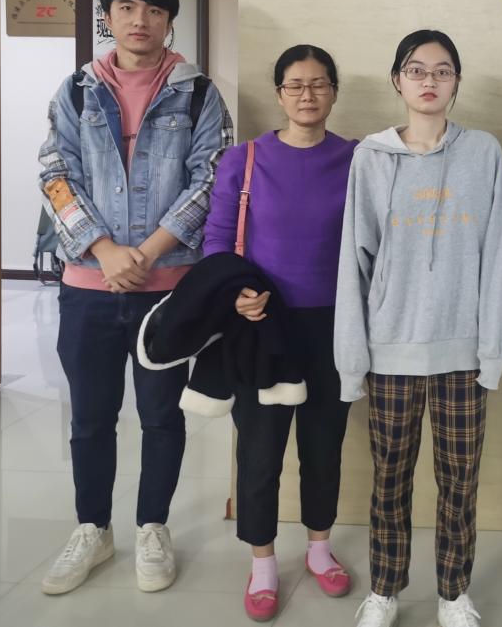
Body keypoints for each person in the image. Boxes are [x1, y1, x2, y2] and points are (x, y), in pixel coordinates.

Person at [37, 0, 232, 595]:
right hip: (87, 287)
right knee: (90, 419)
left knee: (161, 417)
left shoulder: (199, 94)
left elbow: (212, 179)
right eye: (125, 7)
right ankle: (93, 529)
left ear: (169, 20)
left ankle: (152, 526)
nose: (139, 20)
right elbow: (54, 174)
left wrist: (142, 254)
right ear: (107, 17)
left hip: (167, 290)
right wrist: (103, 249)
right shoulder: (76, 91)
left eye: (153, 9)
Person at [335, 30, 502, 627]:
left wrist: (492, 350)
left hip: (462, 353)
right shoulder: (371, 157)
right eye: (416, 70)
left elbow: (497, 254)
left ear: (457, 81)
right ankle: (384, 589)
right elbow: (355, 261)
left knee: (459, 483)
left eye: (442, 70)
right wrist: (353, 361)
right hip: (391, 351)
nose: (429, 80)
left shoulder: (483, 152)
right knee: (389, 481)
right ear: (398, 80)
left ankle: (454, 593)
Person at [202, 45, 357, 621]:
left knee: (323, 445)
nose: (307, 95)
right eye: (295, 85)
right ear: (279, 93)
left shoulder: (358, 158)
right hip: (261, 326)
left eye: (319, 84)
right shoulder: (243, 160)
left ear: (334, 91)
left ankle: (319, 548)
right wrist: (234, 295)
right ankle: (263, 561)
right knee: (260, 450)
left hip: (334, 326)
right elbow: (217, 239)